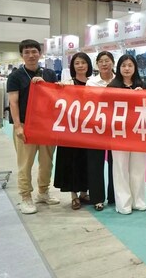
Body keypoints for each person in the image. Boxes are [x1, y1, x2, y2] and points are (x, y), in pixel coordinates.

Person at [7, 39, 59, 214]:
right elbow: (13, 103)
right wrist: (17, 126)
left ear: (40, 53)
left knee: (47, 162)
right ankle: (25, 196)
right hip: (25, 125)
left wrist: (56, 87)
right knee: (25, 163)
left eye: (34, 51)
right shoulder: (15, 76)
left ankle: (43, 192)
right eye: (27, 52)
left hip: (46, 125)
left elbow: (55, 97)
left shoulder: (49, 74)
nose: (31, 55)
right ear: (21, 55)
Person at [107, 54, 146, 214]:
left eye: (130, 65)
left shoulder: (142, 85)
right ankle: (123, 203)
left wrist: (143, 95)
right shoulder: (112, 87)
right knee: (120, 167)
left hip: (138, 131)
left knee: (138, 167)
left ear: (135, 68)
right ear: (119, 68)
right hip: (119, 132)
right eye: (124, 65)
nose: (127, 68)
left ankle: (138, 200)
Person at [54, 52, 93, 210]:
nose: (80, 66)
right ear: (72, 66)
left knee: (86, 160)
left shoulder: (93, 83)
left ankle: (84, 192)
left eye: (83, 62)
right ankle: (73, 195)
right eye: (77, 63)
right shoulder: (66, 84)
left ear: (88, 65)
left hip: (89, 131)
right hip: (70, 131)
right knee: (71, 161)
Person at [86, 51, 116, 211]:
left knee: (115, 162)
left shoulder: (119, 81)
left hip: (115, 128)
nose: (104, 64)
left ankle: (114, 196)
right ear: (97, 64)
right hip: (96, 127)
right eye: (101, 61)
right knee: (95, 163)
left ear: (113, 63)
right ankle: (97, 198)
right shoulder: (91, 83)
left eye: (107, 60)